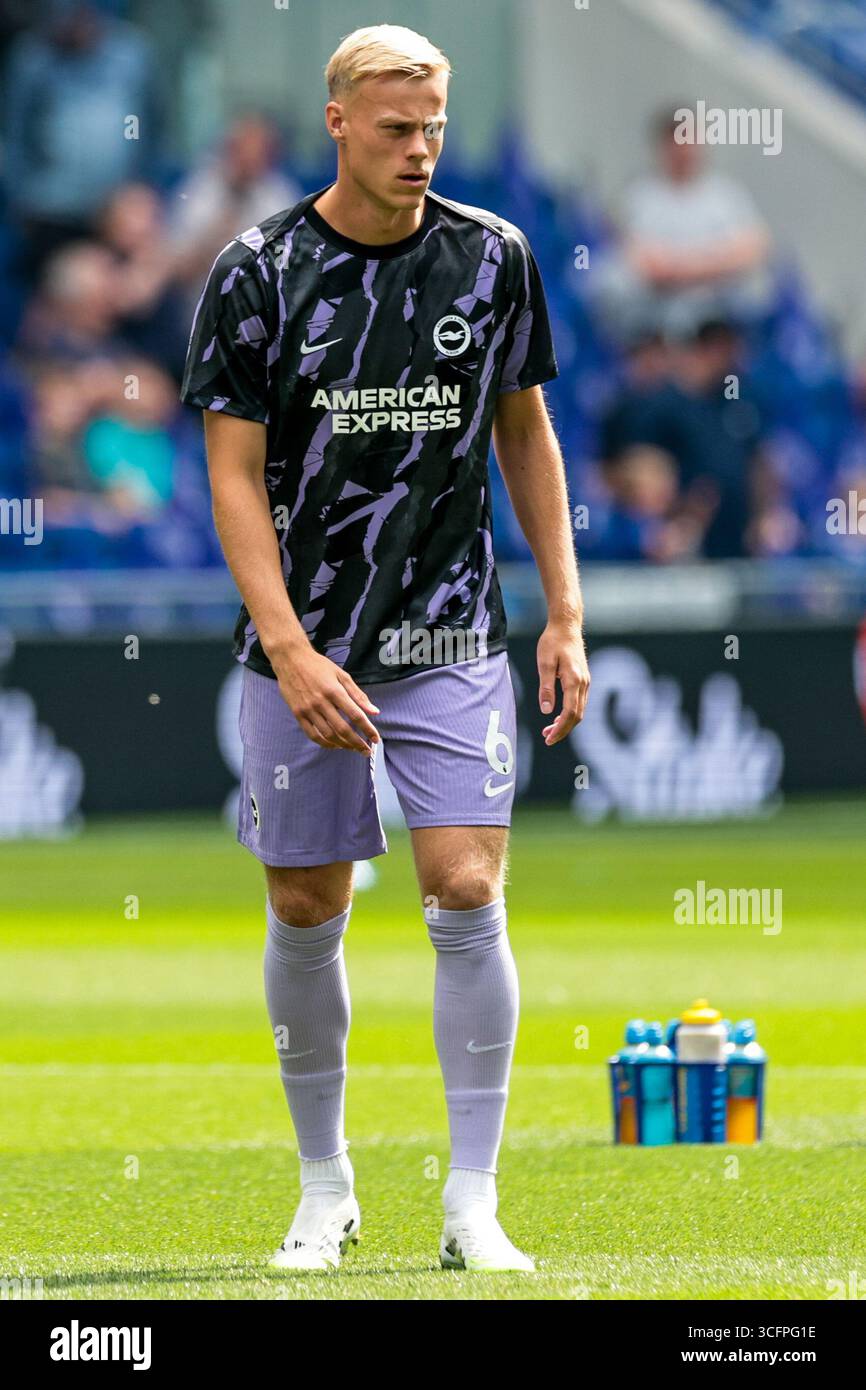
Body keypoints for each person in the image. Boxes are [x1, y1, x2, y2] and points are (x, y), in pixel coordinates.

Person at [181, 23, 589, 1275]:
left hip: (448, 626)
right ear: (339, 122)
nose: (419, 151)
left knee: (466, 889)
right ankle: (325, 1187)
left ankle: (472, 1201)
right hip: (304, 644)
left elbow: (525, 432)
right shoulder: (255, 273)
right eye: (397, 129)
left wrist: (564, 611)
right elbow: (233, 477)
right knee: (309, 907)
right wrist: (291, 648)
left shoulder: (492, 259)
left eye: (435, 129)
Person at [594, 107, 772, 343]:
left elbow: (752, 250)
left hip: (719, 311)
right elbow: (647, 265)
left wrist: (684, 267)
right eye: (678, 140)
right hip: (656, 311)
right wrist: (712, 262)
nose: (685, 149)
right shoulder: (640, 197)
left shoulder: (726, 194)